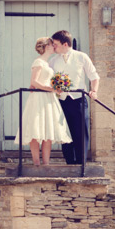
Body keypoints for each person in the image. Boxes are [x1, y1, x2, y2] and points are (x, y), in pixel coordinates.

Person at [14, 37, 72, 165]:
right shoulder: (38, 62)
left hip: (48, 99)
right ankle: (36, 163)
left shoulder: (47, 63)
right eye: (52, 45)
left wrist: (57, 87)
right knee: (36, 130)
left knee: (48, 131)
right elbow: (34, 82)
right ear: (46, 47)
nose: (54, 46)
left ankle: (46, 164)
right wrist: (51, 89)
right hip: (39, 97)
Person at [49, 30, 100, 165]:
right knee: (64, 132)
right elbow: (48, 80)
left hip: (78, 100)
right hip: (61, 101)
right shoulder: (53, 61)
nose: (54, 47)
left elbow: (94, 76)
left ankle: (80, 164)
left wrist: (94, 91)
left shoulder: (81, 57)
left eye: (56, 44)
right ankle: (69, 163)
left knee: (81, 132)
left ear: (65, 44)